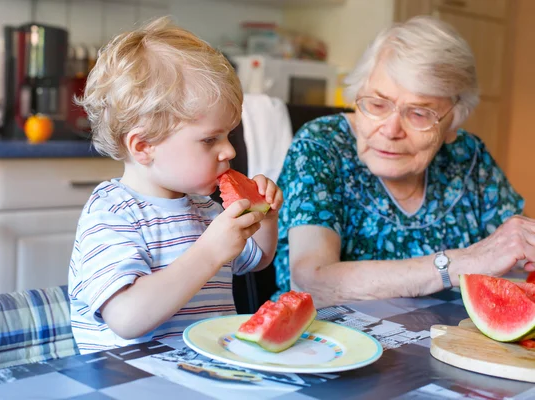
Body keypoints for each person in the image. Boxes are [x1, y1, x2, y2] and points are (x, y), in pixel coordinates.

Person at [273, 16, 535, 308]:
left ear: (452, 124)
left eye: (419, 114)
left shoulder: (468, 156)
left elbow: (516, 258)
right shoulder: (322, 146)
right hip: (334, 346)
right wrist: (460, 263)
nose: (390, 130)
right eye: (376, 104)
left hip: (450, 343)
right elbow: (311, 282)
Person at [68, 17, 283, 354]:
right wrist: (209, 251)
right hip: (130, 380)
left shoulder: (207, 209)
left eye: (228, 135)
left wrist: (266, 218)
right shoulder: (111, 213)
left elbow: (257, 259)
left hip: (206, 371)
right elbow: (126, 318)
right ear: (144, 147)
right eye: (210, 139)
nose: (230, 151)